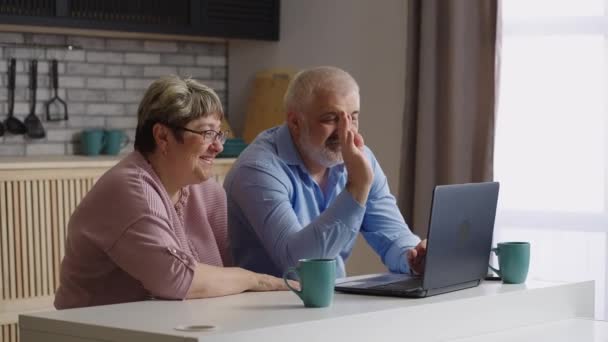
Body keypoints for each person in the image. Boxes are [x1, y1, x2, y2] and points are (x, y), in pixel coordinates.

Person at [55, 75, 291, 309]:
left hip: (167, 326)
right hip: (89, 330)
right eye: (207, 133)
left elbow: (225, 272)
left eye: (219, 134)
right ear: (163, 136)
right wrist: (255, 279)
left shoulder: (207, 191)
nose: (218, 146)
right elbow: (177, 279)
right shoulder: (130, 189)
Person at [224, 66, 427, 279]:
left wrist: (414, 257)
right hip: (266, 305)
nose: (345, 131)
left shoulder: (359, 160)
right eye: (330, 118)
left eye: (353, 117)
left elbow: (393, 236)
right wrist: (356, 187)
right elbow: (299, 266)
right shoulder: (258, 169)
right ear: (295, 122)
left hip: (331, 303)